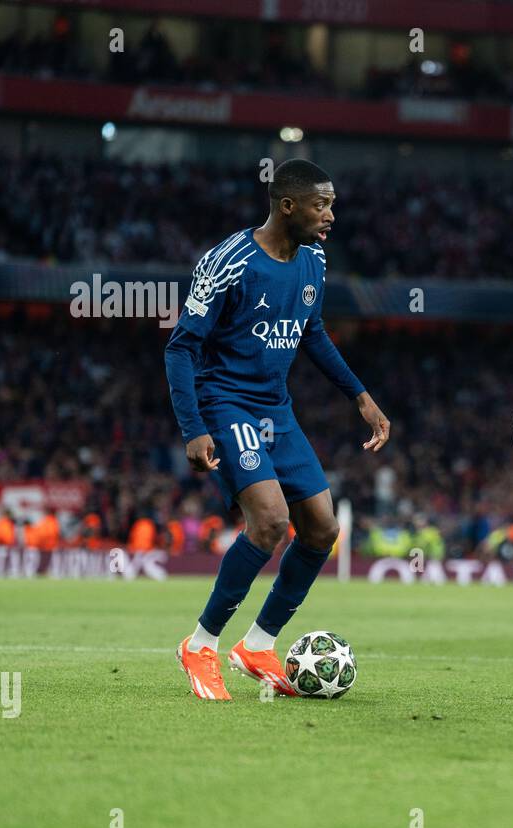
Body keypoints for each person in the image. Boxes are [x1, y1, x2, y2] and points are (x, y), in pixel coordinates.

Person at [164, 159, 390, 701]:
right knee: (268, 521)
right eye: (322, 204)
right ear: (287, 206)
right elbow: (180, 347)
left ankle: (258, 644)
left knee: (321, 528)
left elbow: (311, 333)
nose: (331, 215)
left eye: (332, 204)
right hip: (226, 403)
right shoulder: (229, 262)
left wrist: (360, 396)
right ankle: (200, 643)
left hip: (276, 411)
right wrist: (193, 427)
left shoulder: (313, 257)